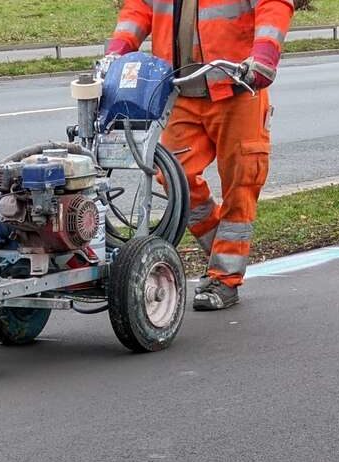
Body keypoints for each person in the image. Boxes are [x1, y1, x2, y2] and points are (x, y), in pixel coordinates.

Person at [104, 0, 295, 310]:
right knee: (173, 177)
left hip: (237, 88)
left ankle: (225, 278)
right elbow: (138, 8)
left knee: (241, 182)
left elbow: (274, 6)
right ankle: (222, 249)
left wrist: (263, 58)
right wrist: (116, 54)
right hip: (182, 91)